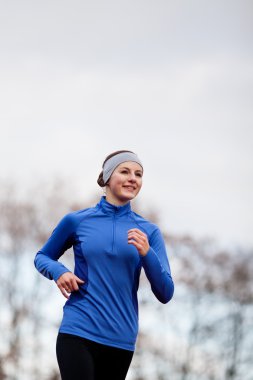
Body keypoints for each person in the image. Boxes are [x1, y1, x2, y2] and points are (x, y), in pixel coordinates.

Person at [34, 149, 174, 380]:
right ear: (108, 177)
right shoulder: (77, 221)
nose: (133, 178)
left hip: (121, 338)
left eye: (138, 174)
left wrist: (147, 253)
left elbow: (165, 292)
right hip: (79, 328)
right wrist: (59, 271)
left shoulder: (149, 232)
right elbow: (42, 256)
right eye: (125, 171)